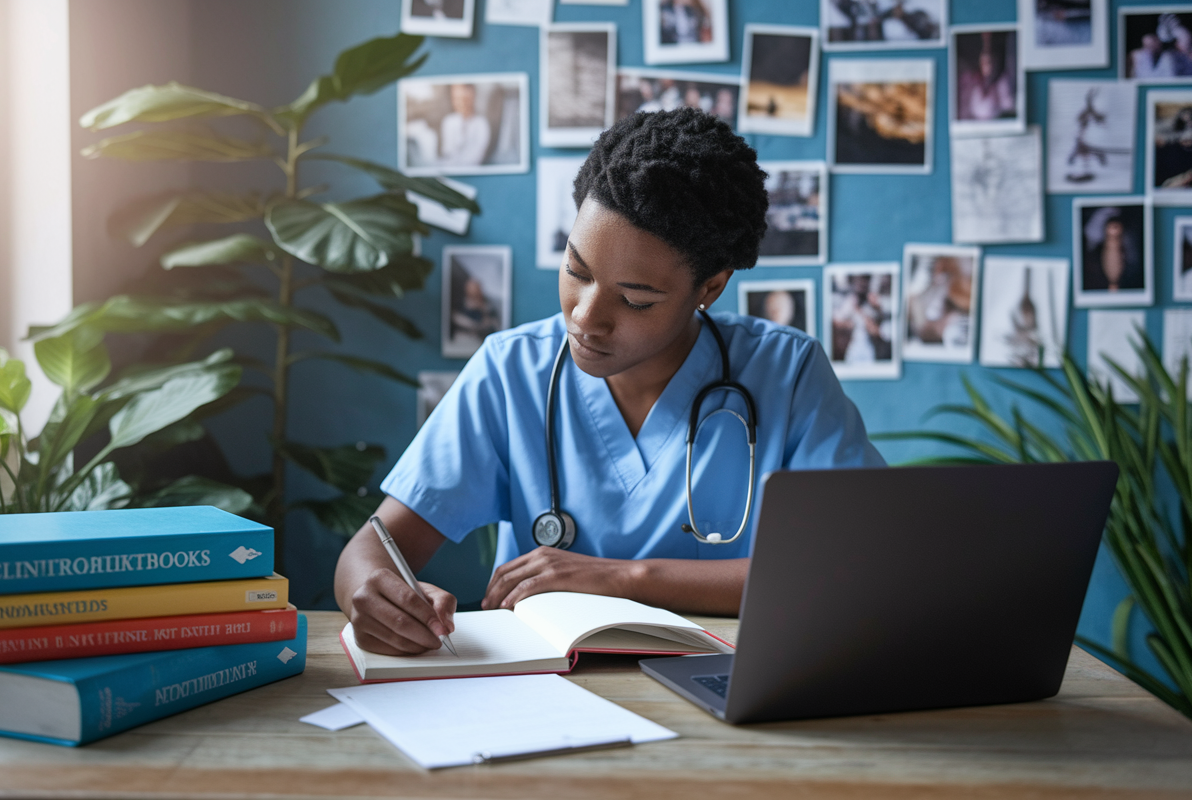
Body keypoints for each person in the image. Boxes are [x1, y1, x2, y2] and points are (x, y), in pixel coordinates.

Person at [334, 109, 885, 656]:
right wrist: (374, 594)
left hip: (725, 686)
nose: (585, 317)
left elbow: (853, 568)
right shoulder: (510, 371)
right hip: (544, 693)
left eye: (635, 300)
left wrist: (626, 580)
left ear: (709, 289)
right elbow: (375, 547)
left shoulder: (786, 375)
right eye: (577, 271)